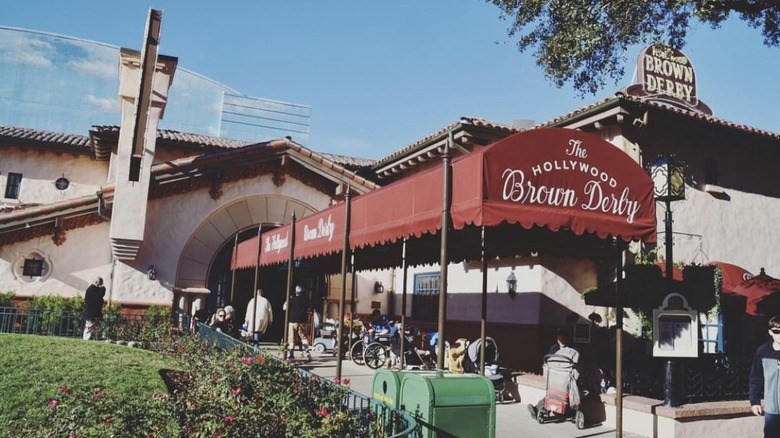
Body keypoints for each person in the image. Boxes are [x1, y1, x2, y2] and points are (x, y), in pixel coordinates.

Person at [749, 315, 780, 437]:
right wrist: (755, 401)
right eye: (776, 331)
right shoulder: (762, 351)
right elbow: (755, 377)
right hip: (771, 409)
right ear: (770, 332)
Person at [283, 285, 311, 361]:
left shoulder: (292, 300)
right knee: (303, 338)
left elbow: (284, 308)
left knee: (291, 339)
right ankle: (307, 353)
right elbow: (308, 310)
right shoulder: (306, 300)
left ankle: (290, 354)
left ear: (296, 292)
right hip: (302, 321)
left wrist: (288, 300)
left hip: (292, 321)